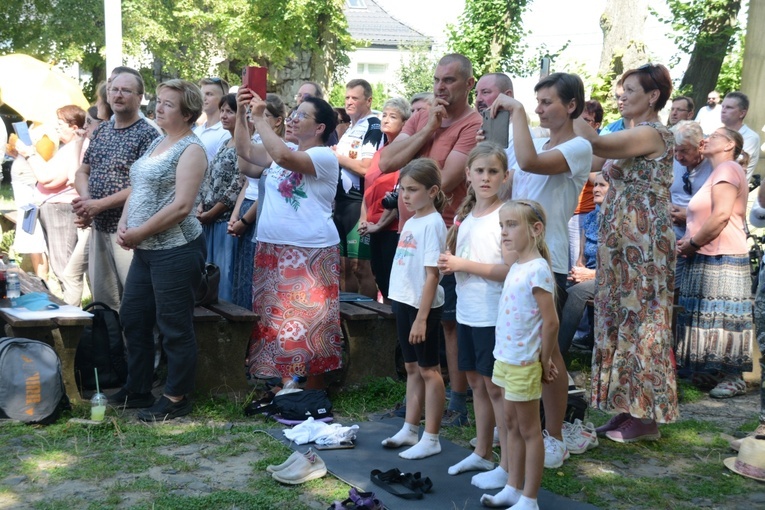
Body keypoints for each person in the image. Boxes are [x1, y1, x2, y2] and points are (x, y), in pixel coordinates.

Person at [488, 72, 592, 473]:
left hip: (549, 259)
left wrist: (514, 109)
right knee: (519, 342)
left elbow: (529, 163)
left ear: (571, 105)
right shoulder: (531, 143)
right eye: (537, 101)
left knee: (549, 355)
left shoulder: (579, 147)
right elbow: (512, 185)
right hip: (518, 256)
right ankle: (521, 422)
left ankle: (554, 436)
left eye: (548, 101)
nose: (540, 108)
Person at [575, 63, 678, 442]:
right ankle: (625, 407)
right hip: (620, 239)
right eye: (620, 90)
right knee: (618, 319)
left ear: (652, 96)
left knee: (642, 323)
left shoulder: (654, 133)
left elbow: (598, 145)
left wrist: (572, 109)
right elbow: (593, 160)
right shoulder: (628, 132)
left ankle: (646, 416)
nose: (620, 96)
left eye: (629, 90)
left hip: (644, 242)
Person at [379, 53, 483, 429]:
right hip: (409, 231)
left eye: (450, 80)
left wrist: (427, 139)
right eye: (438, 80)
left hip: (445, 234)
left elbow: (447, 179)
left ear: (469, 84)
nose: (441, 87)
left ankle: (456, 401)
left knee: (448, 322)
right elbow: (387, 162)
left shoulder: (472, 125)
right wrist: (426, 131)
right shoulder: (423, 116)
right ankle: (415, 407)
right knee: (410, 315)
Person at [108, 79, 207, 421]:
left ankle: (176, 397)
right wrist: (124, 223)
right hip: (146, 249)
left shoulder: (191, 149)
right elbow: (138, 188)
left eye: (168, 104)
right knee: (133, 317)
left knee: (174, 325)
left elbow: (182, 206)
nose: (158, 107)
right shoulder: (159, 142)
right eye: (159, 101)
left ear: (189, 113)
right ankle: (137, 389)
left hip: (176, 249)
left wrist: (139, 233)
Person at [235, 87, 341, 390]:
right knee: (279, 322)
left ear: (319, 128)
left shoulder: (323, 156)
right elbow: (245, 155)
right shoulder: (283, 148)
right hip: (273, 245)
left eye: (301, 116)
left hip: (310, 250)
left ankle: (312, 392)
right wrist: (245, 117)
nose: (293, 119)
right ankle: (287, 387)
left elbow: (281, 156)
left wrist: (260, 119)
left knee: (310, 324)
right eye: (293, 114)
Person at [479, 199, 559, 510]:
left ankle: (529, 497)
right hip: (507, 358)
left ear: (536, 229)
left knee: (528, 430)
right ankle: (512, 486)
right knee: (509, 424)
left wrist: (544, 358)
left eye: (512, 225)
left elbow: (550, 321)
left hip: (524, 362)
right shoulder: (517, 266)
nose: (504, 232)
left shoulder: (537, 270)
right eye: (502, 225)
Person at [437, 142, 510, 477]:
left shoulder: (506, 216)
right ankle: (482, 452)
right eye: (479, 171)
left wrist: (463, 263)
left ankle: (508, 464)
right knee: (476, 384)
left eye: (493, 171)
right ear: (467, 175)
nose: (485, 178)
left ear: (505, 176)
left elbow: (509, 269)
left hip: (494, 315)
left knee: (496, 388)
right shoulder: (466, 217)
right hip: (468, 311)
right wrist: (449, 267)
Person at [676, 127, 753, 398]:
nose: (706, 138)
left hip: (722, 254)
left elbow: (721, 216)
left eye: (715, 136)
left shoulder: (727, 169)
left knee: (725, 317)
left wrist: (693, 243)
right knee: (710, 315)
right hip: (706, 253)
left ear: (729, 144)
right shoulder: (718, 172)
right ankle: (715, 371)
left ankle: (735, 377)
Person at [74, 69, 159, 311]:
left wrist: (98, 205)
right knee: (103, 302)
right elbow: (82, 172)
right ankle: (109, 349)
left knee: (135, 304)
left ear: (140, 96)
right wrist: (87, 202)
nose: (118, 95)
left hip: (129, 232)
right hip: (99, 227)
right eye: (114, 90)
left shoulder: (148, 134)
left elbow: (144, 185)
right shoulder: (102, 130)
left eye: (126, 90)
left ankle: (139, 350)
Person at [381, 158, 447, 460]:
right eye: (402, 189)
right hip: (404, 300)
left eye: (412, 190)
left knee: (429, 369)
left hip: (423, 307)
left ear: (432, 191)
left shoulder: (433, 223)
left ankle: (431, 436)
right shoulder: (410, 221)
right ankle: (410, 427)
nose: (405, 196)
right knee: (411, 368)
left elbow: (432, 274)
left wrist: (422, 318)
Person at [15, 105, 86, 304]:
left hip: (61, 210)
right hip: (53, 207)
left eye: (60, 124)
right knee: (61, 265)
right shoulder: (67, 148)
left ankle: (72, 317)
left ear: (74, 127)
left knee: (64, 266)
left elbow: (48, 178)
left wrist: (30, 154)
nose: (56, 128)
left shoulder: (75, 148)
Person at [228, 94, 287, 309]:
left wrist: (244, 220)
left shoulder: (282, 147)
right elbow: (246, 175)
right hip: (245, 209)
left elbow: (266, 191)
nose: (256, 119)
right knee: (242, 275)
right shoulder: (254, 142)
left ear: (278, 120)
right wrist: (235, 216)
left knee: (254, 278)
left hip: (258, 213)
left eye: (262, 114)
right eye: (254, 114)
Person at [332, 79, 384, 298]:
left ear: (368, 100)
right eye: (347, 98)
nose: (349, 102)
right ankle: (347, 323)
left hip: (358, 203)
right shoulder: (350, 127)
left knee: (360, 267)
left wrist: (337, 157)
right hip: (341, 204)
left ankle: (369, 320)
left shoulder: (373, 125)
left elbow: (365, 168)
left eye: (355, 98)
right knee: (343, 267)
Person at [358, 97, 411, 301]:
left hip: (391, 229)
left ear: (405, 123)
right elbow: (368, 188)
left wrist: (379, 226)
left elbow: (400, 195)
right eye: (384, 115)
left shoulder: (406, 154)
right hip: (373, 227)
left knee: (392, 284)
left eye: (393, 116)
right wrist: (364, 220)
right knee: (379, 277)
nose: (386, 119)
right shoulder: (381, 152)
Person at [196, 93, 246, 301]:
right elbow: (209, 175)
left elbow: (238, 183)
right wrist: (201, 205)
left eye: (230, 111)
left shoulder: (245, 144)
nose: (224, 116)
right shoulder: (225, 141)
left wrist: (214, 211)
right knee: (208, 269)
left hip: (224, 219)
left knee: (224, 272)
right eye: (222, 111)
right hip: (208, 216)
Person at [558, 173, 609, 354]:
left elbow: (620, 266)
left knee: (577, 293)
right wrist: (578, 271)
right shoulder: (590, 219)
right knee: (558, 287)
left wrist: (592, 275)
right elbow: (582, 258)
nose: (595, 189)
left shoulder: (619, 221)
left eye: (602, 185)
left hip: (611, 278)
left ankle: (558, 352)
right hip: (589, 275)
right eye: (595, 185)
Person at [669, 121, 713, 290]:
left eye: (684, 151)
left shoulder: (713, 165)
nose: (679, 157)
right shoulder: (674, 163)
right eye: (675, 151)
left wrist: (688, 215)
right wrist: (669, 210)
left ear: (701, 145)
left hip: (702, 239)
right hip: (674, 235)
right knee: (672, 288)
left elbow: (721, 208)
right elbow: (663, 191)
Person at [720, 91, 760, 182]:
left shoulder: (750, 137)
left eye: (729, 107)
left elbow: (731, 166)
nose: (723, 110)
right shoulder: (717, 132)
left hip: (733, 190)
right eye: (723, 106)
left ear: (742, 113)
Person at [194, 77, 231, 162]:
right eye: (202, 94)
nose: (203, 98)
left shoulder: (226, 133)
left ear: (223, 98)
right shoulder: (197, 130)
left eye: (209, 94)